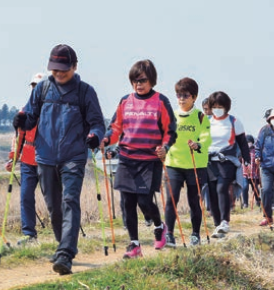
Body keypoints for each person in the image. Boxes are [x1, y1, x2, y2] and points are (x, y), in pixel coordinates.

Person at [13, 44, 105, 275]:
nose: (59, 73)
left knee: (70, 201)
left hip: (73, 157)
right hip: (44, 157)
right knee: (54, 208)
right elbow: (31, 117)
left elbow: (97, 123)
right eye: (55, 69)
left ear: (74, 66)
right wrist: (22, 120)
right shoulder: (42, 89)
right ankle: (61, 244)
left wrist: (94, 136)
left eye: (63, 69)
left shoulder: (85, 92)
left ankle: (65, 253)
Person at [102, 59, 176, 258]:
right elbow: (116, 127)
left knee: (144, 200)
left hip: (149, 159)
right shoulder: (125, 101)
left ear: (152, 80)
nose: (138, 84)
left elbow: (170, 131)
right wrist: (107, 140)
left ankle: (160, 227)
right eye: (134, 81)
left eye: (142, 80)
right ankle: (134, 245)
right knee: (127, 201)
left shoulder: (161, 101)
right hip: (127, 157)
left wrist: (165, 147)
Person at [164, 77, 211, 247]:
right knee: (171, 199)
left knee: (194, 200)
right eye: (178, 95)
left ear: (194, 97)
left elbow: (206, 138)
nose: (181, 99)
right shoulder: (171, 115)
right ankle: (168, 234)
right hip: (173, 163)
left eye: (185, 95)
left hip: (195, 164)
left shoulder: (200, 117)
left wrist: (198, 144)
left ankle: (195, 234)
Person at [5, 73, 44, 246]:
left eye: (38, 86)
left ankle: (63, 234)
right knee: (25, 196)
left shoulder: (52, 111)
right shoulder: (24, 110)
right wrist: (13, 158)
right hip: (28, 160)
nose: (35, 89)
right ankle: (29, 235)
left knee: (53, 198)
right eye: (33, 86)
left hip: (47, 160)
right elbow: (19, 135)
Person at [207, 91, 250, 238]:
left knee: (221, 188)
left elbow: (243, 144)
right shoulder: (206, 121)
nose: (217, 109)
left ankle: (225, 221)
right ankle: (217, 224)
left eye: (220, 106)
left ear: (226, 107)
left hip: (227, 160)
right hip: (209, 161)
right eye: (214, 106)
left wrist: (247, 161)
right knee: (211, 192)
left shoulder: (234, 122)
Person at [242, 134, 261, 208]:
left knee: (255, 188)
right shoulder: (243, 150)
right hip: (245, 173)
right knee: (245, 187)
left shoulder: (255, 150)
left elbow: (258, 159)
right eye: (247, 142)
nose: (248, 144)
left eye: (250, 142)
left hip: (254, 174)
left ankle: (258, 201)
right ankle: (245, 203)